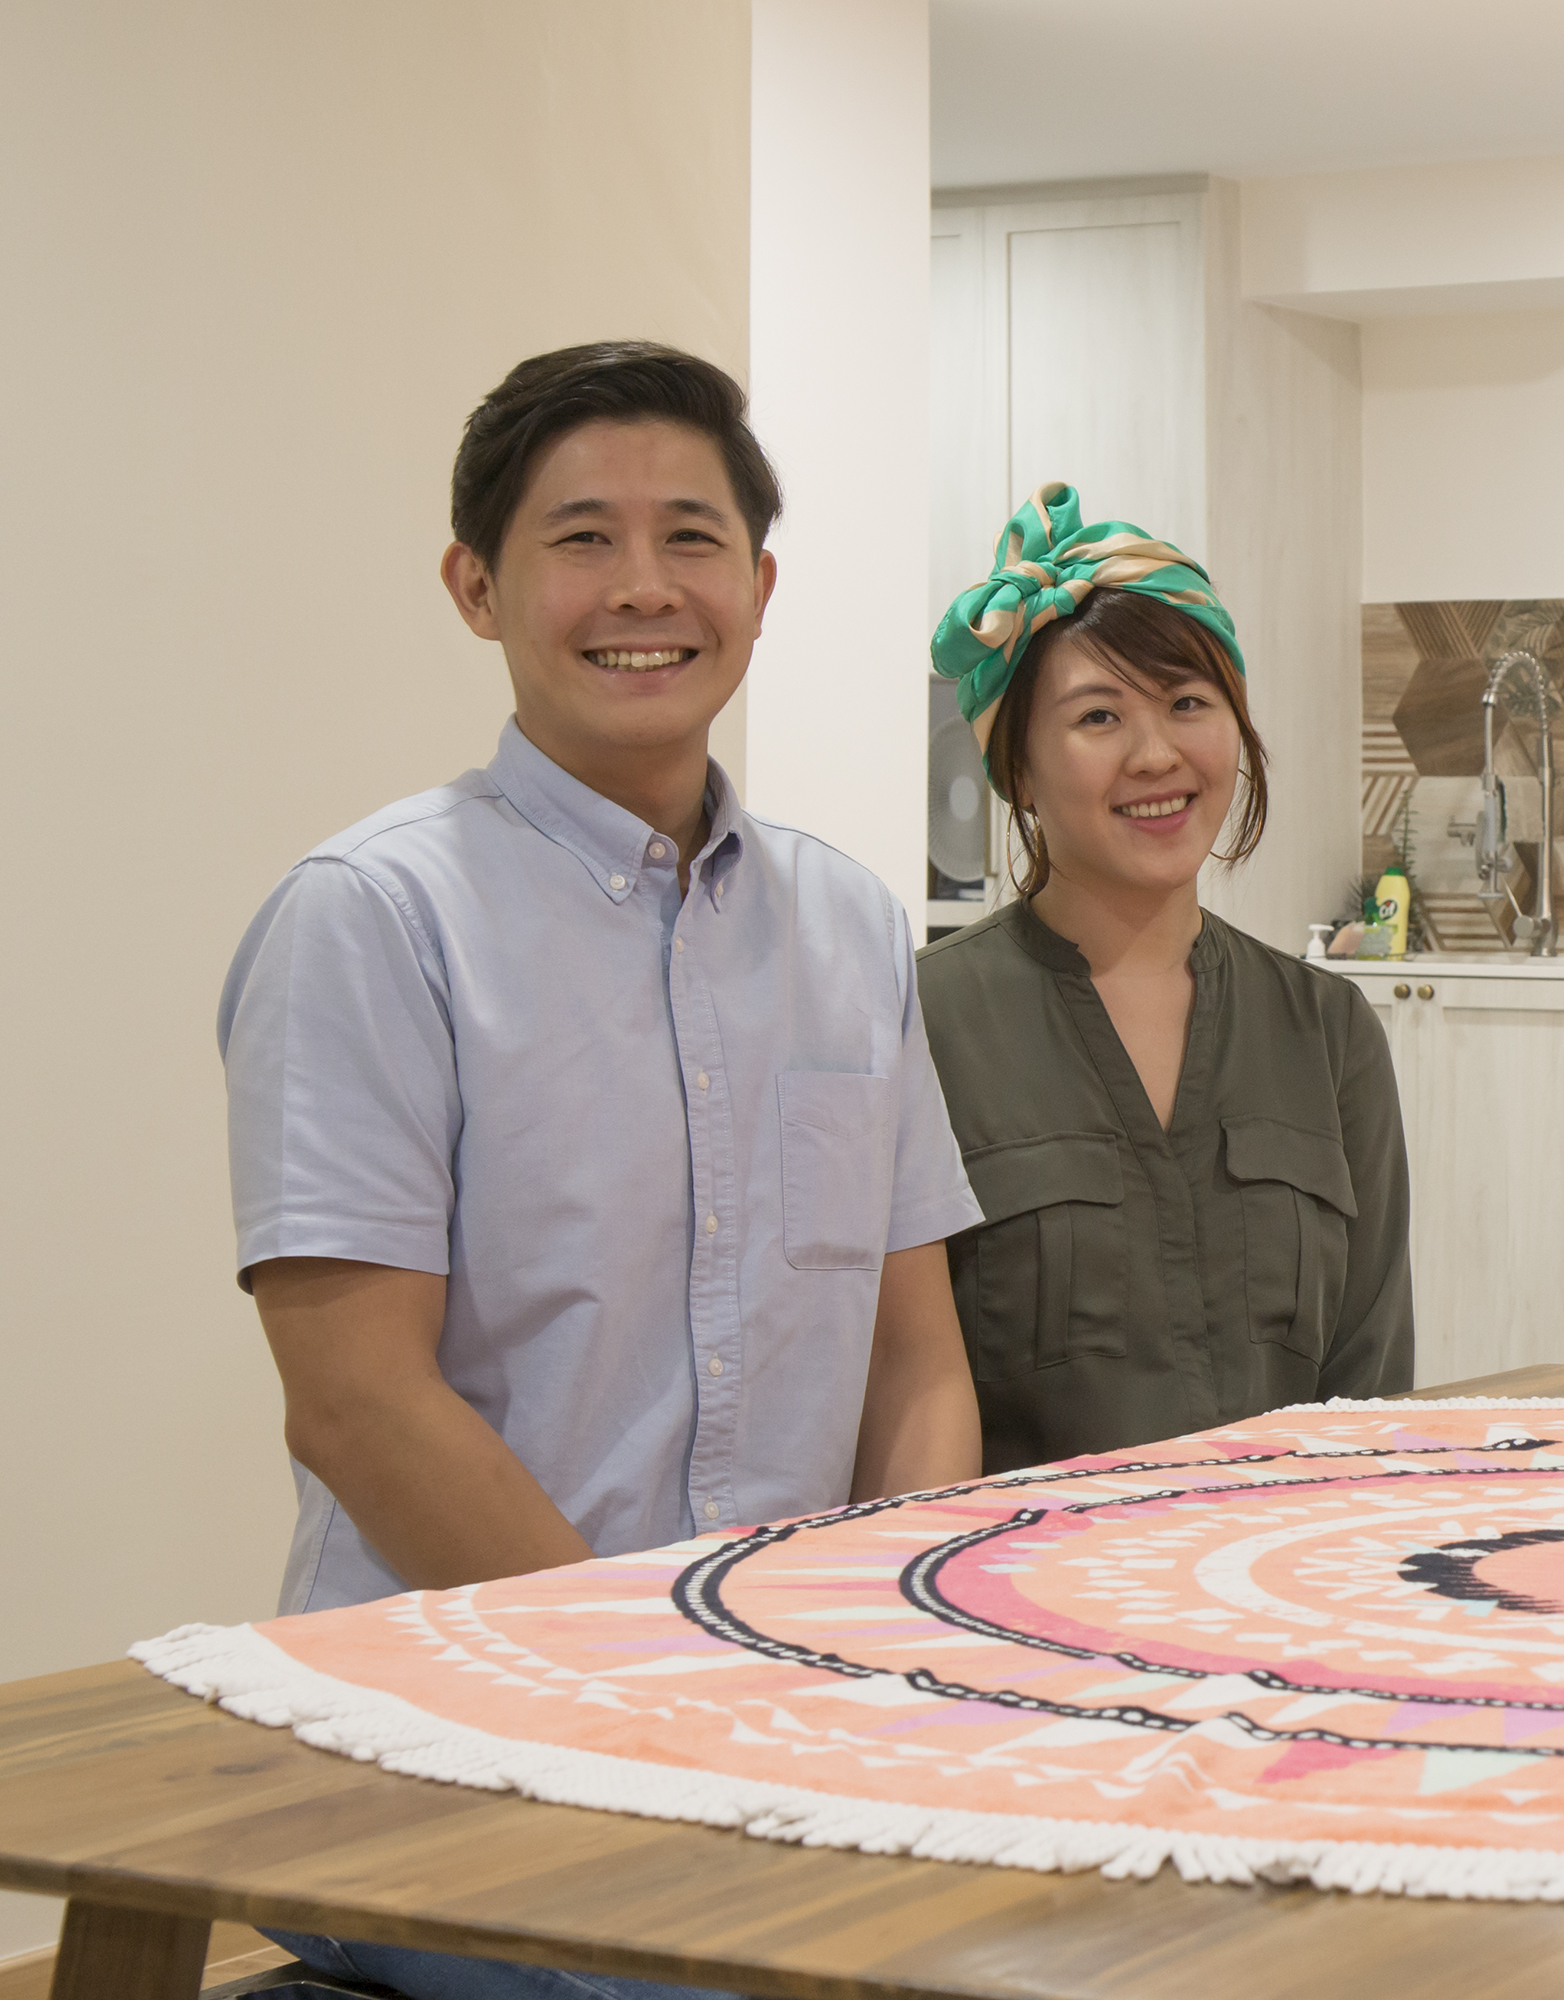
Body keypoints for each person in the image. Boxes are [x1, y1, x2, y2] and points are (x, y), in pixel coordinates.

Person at [220, 342, 983, 2000]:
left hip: (780, 1712)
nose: (644, 587)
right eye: (581, 538)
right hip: (447, 1721)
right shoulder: (371, 918)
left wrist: (887, 1661)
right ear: (475, 586)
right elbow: (354, 1402)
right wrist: (656, 1691)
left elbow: (913, 1351)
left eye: (692, 537)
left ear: (762, 586)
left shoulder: (848, 923)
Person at [919, 482, 1412, 1469]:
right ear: (1016, 763)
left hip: (1283, 1583)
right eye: (1098, 716)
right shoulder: (923, 1022)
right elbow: (903, 1393)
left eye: (1190, 702)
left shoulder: (1327, 1027)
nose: (1157, 753)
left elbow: (1372, 1383)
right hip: (1018, 1589)